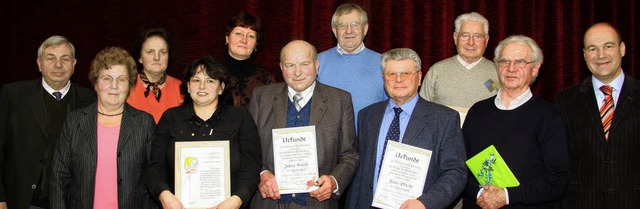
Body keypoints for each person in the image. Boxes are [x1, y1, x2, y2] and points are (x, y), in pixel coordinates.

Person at [346, 48, 467, 209]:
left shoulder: (444, 119)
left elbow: (456, 172)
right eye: (391, 74)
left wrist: (425, 203)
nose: (398, 80)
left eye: (405, 74)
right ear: (383, 79)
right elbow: (360, 174)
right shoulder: (367, 116)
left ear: (419, 77)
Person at [461, 35, 569, 209]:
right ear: (497, 66)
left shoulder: (549, 116)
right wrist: (480, 194)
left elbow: (557, 180)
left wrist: (507, 196)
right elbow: (457, 167)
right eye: (504, 61)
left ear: (534, 69)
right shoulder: (477, 112)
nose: (511, 69)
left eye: (520, 62)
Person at [248, 40, 358, 208]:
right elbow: (247, 150)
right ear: (281, 67)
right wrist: (261, 174)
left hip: (317, 204)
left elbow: (349, 155)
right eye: (290, 65)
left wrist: (334, 181)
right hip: (268, 202)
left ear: (316, 65)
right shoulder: (261, 97)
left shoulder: (340, 100)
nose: (297, 72)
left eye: (305, 64)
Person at [146, 56, 261, 209]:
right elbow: (155, 166)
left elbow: (251, 166)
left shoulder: (240, 117)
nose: (202, 86)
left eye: (210, 81)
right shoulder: (171, 118)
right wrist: (164, 195)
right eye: (196, 80)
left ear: (221, 88)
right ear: (187, 86)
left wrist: (237, 199)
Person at [49, 46, 156, 208]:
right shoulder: (74, 121)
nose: (114, 86)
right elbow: (58, 176)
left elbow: (154, 175)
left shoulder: (144, 122)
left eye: (121, 79)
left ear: (130, 85)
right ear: (96, 83)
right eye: (107, 78)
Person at [0, 35, 95, 209]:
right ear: (39, 63)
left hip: (72, 202)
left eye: (65, 59)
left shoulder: (89, 99)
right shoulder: (13, 95)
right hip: (24, 201)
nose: (58, 65)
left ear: (74, 64)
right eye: (51, 58)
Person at [554, 23, 640, 208]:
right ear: (585, 55)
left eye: (608, 46)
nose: (601, 55)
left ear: (622, 49)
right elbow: (557, 163)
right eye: (593, 49)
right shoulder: (564, 101)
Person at [317, 2, 387, 124]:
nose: (349, 31)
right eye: (342, 26)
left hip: (369, 139)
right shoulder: (317, 62)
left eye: (355, 25)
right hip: (330, 139)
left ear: (365, 29)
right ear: (334, 31)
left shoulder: (384, 63)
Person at [419, 12, 498, 109]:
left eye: (477, 36)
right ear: (455, 38)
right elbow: (421, 111)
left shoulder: (498, 73)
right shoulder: (437, 71)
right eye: (465, 35)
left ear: (486, 40)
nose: (471, 42)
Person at [127, 28, 183, 123]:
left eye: (162, 52)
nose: (157, 58)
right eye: (150, 52)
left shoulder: (181, 88)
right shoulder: (126, 86)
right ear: (140, 57)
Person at [223, 12, 275, 107]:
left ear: (256, 44)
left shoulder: (267, 79)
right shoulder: (211, 74)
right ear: (227, 38)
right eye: (238, 33)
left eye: (251, 36)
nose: (244, 40)